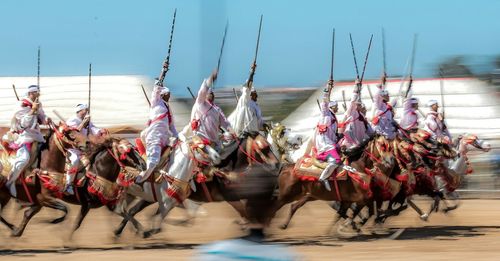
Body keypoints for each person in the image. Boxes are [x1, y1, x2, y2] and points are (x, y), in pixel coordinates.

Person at [5, 85, 48, 197]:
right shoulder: (21, 105)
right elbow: (24, 124)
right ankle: (10, 182)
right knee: (24, 159)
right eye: (36, 93)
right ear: (30, 93)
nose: (38, 95)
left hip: (37, 134)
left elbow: (42, 118)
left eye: (38, 93)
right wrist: (32, 110)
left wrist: (46, 118)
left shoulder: (38, 103)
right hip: (24, 135)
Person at [135, 73, 178, 184]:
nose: (169, 95)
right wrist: (163, 73)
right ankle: (139, 179)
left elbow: (172, 127)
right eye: (167, 93)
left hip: (164, 138)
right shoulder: (156, 102)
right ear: (162, 95)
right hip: (154, 136)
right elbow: (156, 89)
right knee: (153, 162)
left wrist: (179, 137)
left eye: (169, 94)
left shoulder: (169, 109)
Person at [64, 103, 106, 194]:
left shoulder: (87, 121)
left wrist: (100, 131)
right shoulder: (73, 120)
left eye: (87, 110)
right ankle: (68, 184)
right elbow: (74, 132)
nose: (86, 112)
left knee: (93, 160)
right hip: (71, 148)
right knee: (74, 161)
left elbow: (93, 128)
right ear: (80, 111)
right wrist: (83, 123)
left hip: (82, 148)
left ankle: (89, 183)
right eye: (85, 110)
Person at [190, 70, 233, 150]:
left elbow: (225, 122)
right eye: (209, 93)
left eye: (212, 93)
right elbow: (203, 90)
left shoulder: (217, 109)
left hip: (215, 141)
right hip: (201, 139)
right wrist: (211, 78)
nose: (211, 95)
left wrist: (231, 130)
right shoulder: (200, 103)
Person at [314, 80, 341, 191]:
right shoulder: (325, 113)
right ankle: (323, 177)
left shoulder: (333, 116)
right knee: (336, 161)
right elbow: (325, 100)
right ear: (332, 107)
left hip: (330, 142)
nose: (338, 108)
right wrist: (328, 88)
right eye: (336, 106)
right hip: (324, 143)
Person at [229, 63, 265, 136]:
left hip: (255, 133)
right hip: (244, 133)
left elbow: (259, 122)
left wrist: (264, 126)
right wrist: (252, 72)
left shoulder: (256, 105)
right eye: (254, 94)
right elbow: (247, 86)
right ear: (250, 94)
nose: (257, 96)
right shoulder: (246, 99)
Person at [340, 81, 374, 149]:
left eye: (360, 105)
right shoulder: (352, 112)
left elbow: (370, 131)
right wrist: (356, 89)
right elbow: (353, 101)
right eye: (359, 105)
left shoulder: (362, 116)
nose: (362, 107)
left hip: (361, 142)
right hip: (350, 144)